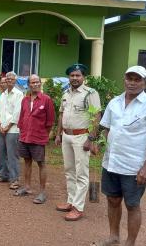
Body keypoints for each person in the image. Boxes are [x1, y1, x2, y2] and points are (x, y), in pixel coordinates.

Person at [92, 66, 146, 246]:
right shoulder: (114, 102)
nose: (132, 83)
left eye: (137, 79)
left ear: (144, 83)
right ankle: (113, 236)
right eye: (129, 78)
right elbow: (106, 127)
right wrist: (99, 142)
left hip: (133, 166)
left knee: (132, 205)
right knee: (112, 200)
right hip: (111, 162)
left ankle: (130, 242)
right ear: (124, 79)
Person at [54, 64, 101, 221]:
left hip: (82, 137)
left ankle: (78, 207)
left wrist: (91, 139)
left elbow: (96, 117)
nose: (74, 78)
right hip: (66, 136)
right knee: (69, 170)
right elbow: (61, 114)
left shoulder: (90, 93)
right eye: (72, 75)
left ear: (83, 77)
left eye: (77, 75)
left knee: (81, 173)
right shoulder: (66, 93)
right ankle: (70, 201)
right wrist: (58, 133)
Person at [16, 74, 55, 204]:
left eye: (37, 82)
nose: (35, 84)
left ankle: (42, 192)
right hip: (25, 136)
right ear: (29, 85)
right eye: (32, 82)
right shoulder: (25, 100)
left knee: (41, 163)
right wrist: (22, 132)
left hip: (38, 137)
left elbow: (50, 121)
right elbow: (21, 117)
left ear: (40, 83)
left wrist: (44, 135)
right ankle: (26, 187)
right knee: (26, 161)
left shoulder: (46, 100)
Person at [0, 72, 23, 190]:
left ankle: (15, 179)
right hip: (2, 128)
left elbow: (17, 113)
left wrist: (8, 126)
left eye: (11, 79)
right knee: (1, 153)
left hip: (13, 129)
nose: (9, 81)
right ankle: (3, 175)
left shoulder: (19, 94)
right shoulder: (3, 94)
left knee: (12, 155)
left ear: (15, 80)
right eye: (7, 79)